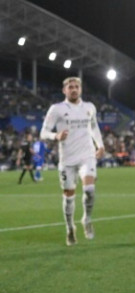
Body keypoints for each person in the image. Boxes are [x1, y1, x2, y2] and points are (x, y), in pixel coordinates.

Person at [41, 77, 105, 245]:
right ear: (64, 90)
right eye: (70, 87)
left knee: (90, 189)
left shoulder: (89, 107)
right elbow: (43, 132)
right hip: (67, 159)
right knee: (69, 196)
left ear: (81, 89)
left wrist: (100, 145)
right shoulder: (57, 109)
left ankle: (87, 219)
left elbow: (93, 127)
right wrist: (56, 136)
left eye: (76, 86)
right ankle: (70, 228)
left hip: (87, 155)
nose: (74, 89)